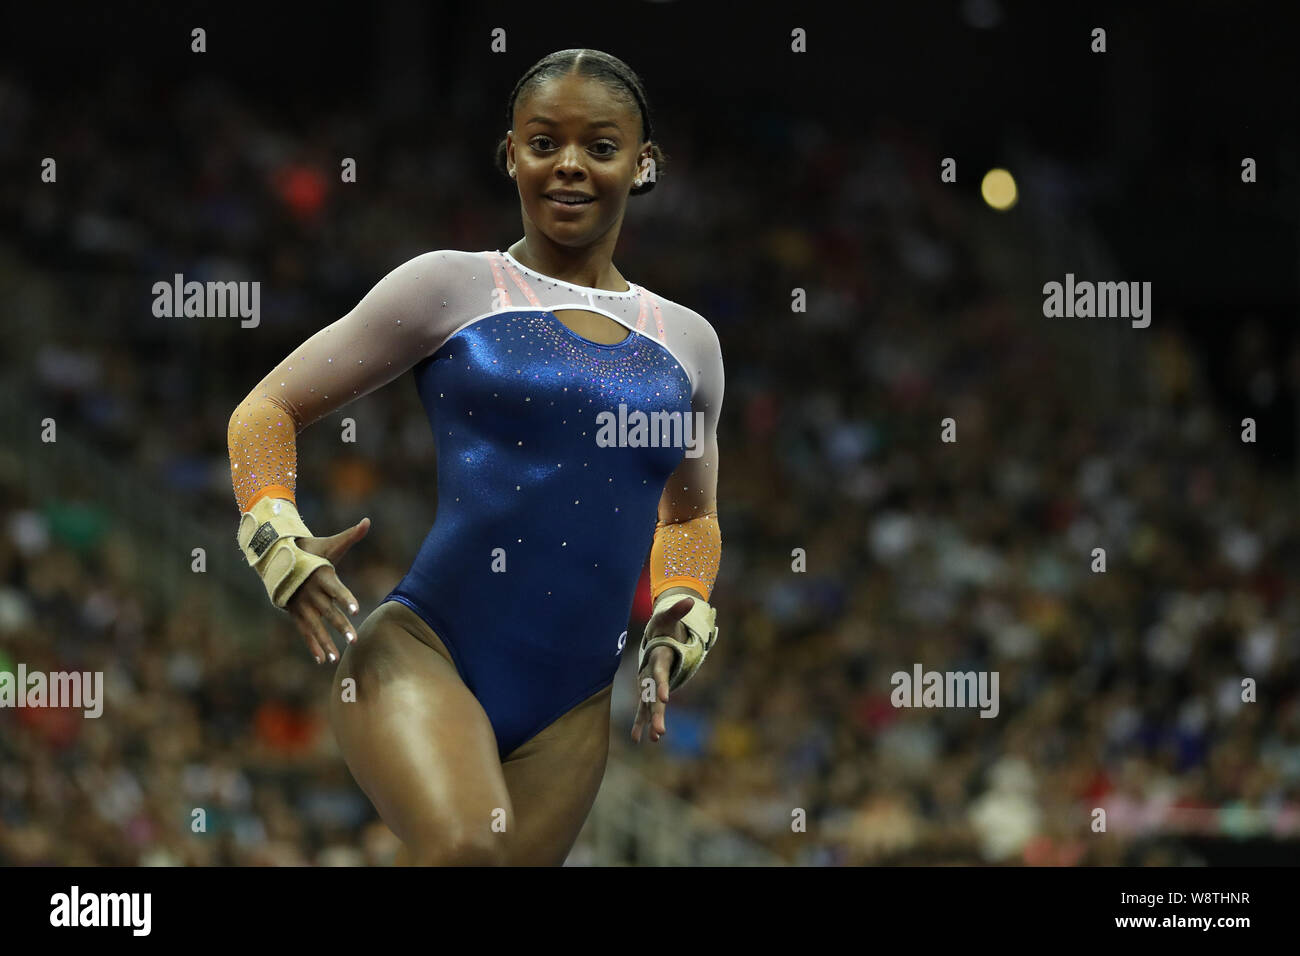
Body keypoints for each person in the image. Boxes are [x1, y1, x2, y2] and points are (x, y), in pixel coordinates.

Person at [226, 49, 724, 865]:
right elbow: (267, 410)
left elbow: (692, 515)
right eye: (542, 142)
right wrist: (274, 530)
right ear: (510, 154)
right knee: (465, 850)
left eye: (600, 146)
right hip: (425, 654)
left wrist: (681, 608)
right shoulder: (454, 289)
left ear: (645, 163)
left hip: (572, 708)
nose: (568, 165)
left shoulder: (689, 344)